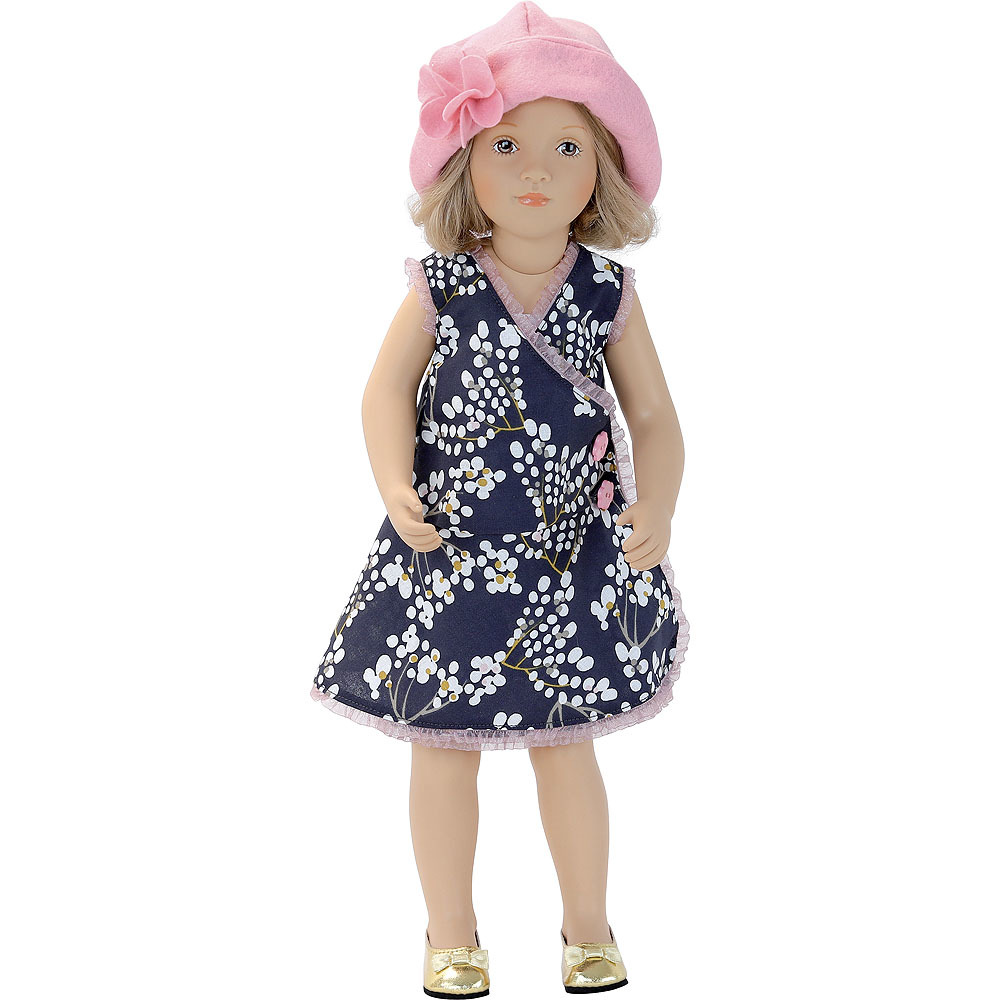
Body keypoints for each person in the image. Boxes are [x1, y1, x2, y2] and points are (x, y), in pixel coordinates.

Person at [310, 3, 691, 994]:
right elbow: (384, 392)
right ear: (464, 164)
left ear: (602, 169)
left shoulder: (605, 292)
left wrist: (657, 504)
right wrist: (394, 480)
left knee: (566, 749)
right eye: (506, 144)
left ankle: (587, 926)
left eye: (567, 147)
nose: (536, 172)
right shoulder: (441, 286)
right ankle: (450, 932)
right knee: (444, 750)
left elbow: (653, 414)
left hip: (571, 554)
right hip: (452, 552)